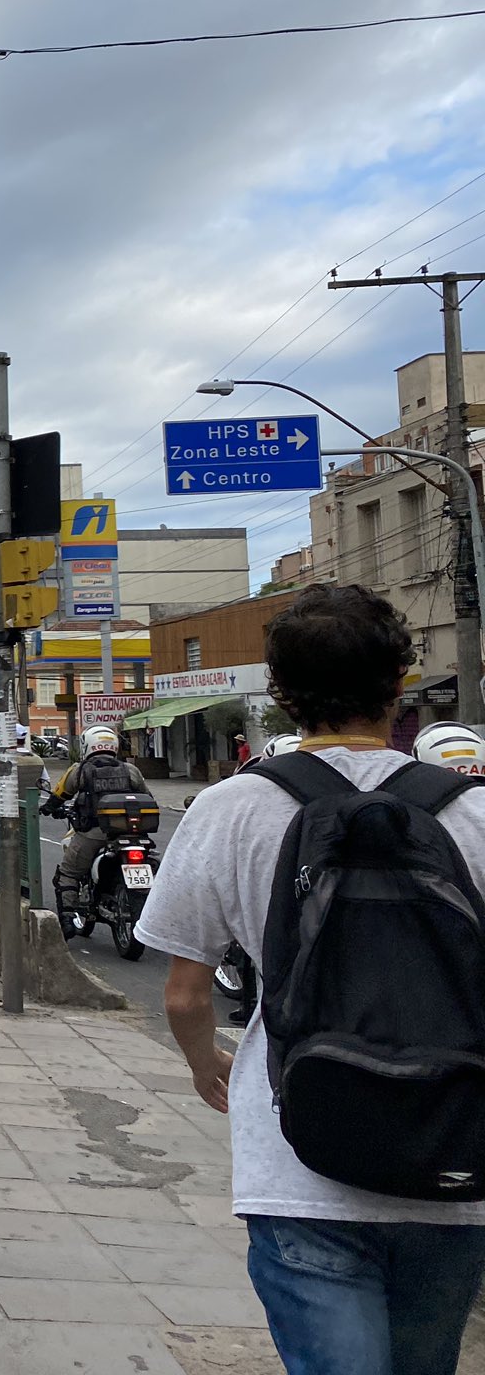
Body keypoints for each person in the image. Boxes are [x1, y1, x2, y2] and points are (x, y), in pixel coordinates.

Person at [136, 585, 485, 1372]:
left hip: (297, 1152)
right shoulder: (471, 812)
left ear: (280, 689)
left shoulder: (232, 808)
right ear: (400, 680)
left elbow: (187, 993)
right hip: (455, 1153)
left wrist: (206, 1064)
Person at [47, 725, 151, 919]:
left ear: (87, 745)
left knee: (68, 873)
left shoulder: (80, 771)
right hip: (132, 834)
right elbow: (147, 796)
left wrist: (49, 807)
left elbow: (60, 794)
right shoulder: (130, 769)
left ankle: (69, 919)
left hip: (94, 832)